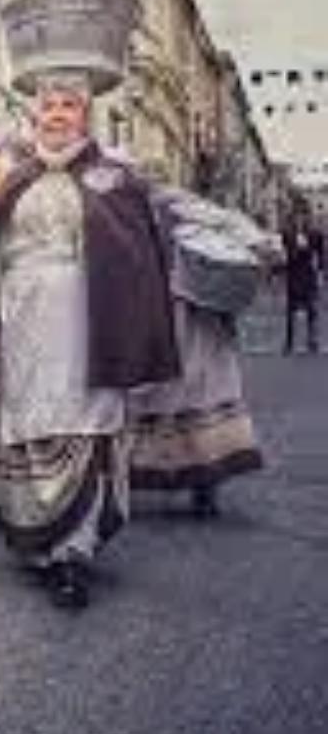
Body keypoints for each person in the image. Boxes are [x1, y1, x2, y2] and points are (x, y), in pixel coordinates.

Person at [0, 74, 179, 609]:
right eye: (46, 106)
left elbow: (138, 257)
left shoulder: (114, 180)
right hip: (24, 320)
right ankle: (42, 539)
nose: (55, 115)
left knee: (83, 423)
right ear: (35, 117)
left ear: (85, 117)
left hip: (88, 320)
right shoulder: (18, 181)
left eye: (67, 107)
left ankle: (75, 551)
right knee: (33, 426)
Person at [129, 182, 271, 517]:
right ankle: (204, 483)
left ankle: (173, 477)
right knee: (200, 396)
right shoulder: (184, 207)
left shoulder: (154, 207)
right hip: (191, 315)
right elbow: (251, 236)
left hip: (174, 315)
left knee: (167, 396)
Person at [282, 207, 323, 353]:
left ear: (307, 218)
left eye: (303, 216)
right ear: (293, 218)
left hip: (308, 275)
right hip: (293, 275)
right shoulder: (287, 234)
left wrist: (321, 272)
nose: (299, 220)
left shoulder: (315, 234)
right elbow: (284, 254)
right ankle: (289, 342)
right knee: (290, 311)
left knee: (312, 309)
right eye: (296, 217)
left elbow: (321, 254)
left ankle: (312, 340)